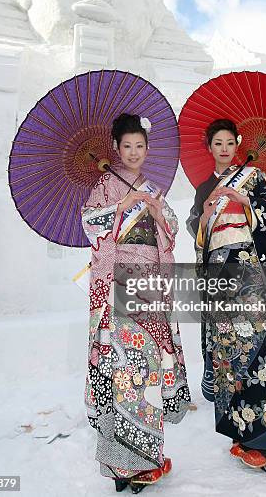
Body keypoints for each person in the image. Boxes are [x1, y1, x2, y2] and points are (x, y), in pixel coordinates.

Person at [81, 113, 190, 492]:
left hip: (149, 284)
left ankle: (144, 459)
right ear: (116, 148)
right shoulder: (104, 186)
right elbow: (90, 224)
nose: (132, 153)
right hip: (117, 285)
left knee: (146, 369)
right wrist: (121, 205)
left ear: (147, 149)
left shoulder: (153, 188)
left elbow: (172, 229)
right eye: (126, 146)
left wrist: (159, 214)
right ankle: (119, 463)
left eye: (139, 147)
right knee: (119, 368)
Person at [186, 118, 266, 472]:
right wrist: (204, 218)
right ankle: (243, 434)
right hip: (221, 278)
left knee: (260, 348)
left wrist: (244, 202)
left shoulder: (253, 178)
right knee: (230, 354)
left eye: (229, 142)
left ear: (237, 144)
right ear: (209, 148)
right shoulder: (204, 188)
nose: (223, 148)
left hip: (251, 275)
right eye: (216, 143)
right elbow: (197, 234)